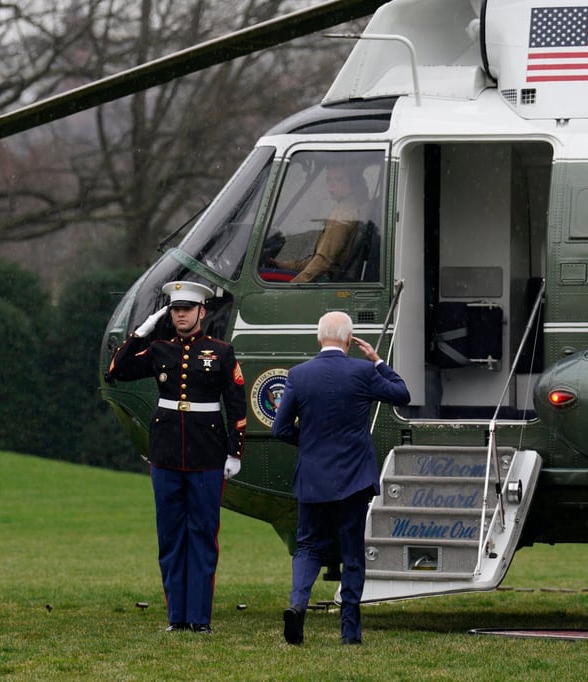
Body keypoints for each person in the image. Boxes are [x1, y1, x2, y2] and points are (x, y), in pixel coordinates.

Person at [106, 280, 246, 634]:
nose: (180, 315)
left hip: (206, 456)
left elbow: (236, 405)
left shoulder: (221, 351)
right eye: (175, 309)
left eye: (187, 309)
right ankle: (176, 618)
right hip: (166, 454)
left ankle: (199, 619)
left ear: (202, 311)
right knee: (170, 537)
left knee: (202, 537)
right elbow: (116, 371)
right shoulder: (159, 350)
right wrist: (143, 330)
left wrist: (234, 452)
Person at [271, 311, 411, 645]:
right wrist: (378, 361)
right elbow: (401, 394)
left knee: (307, 547)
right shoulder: (363, 372)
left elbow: (279, 428)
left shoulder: (299, 375)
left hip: (313, 477)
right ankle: (349, 631)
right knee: (352, 553)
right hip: (354, 479)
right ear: (349, 340)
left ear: (319, 338)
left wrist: (307, 443)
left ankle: (298, 604)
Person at [270, 162, 368, 283]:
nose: (331, 185)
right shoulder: (353, 207)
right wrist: (283, 265)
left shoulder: (342, 213)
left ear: (352, 183)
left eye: (338, 180)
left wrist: (294, 285)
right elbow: (317, 260)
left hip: (329, 281)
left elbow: (324, 260)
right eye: (329, 180)